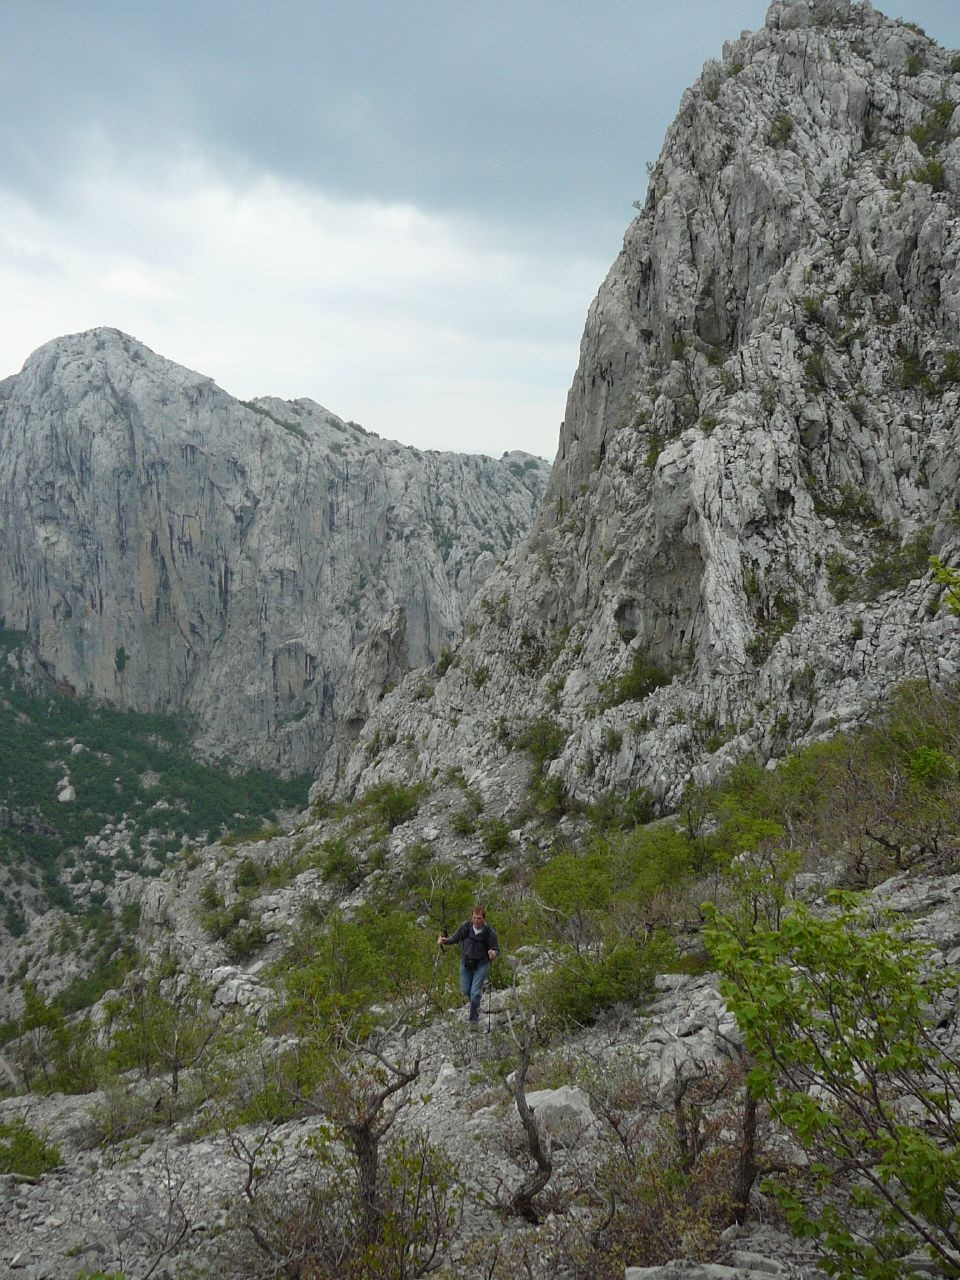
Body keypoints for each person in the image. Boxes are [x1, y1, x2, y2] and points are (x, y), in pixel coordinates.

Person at [438, 905, 499, 1026]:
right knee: (465, 990)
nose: (476, 921)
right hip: (466, 963)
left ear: (484, 919)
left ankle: (473, 1021)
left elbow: (496, 949)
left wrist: (493, 953)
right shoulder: (465, 927)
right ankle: (476, 1005)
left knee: (475, 993)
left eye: (479, 918)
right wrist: (445, 941)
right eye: (475, 918)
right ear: (472, 917)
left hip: (481, 964)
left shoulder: (489, 932)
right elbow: (455, 938)